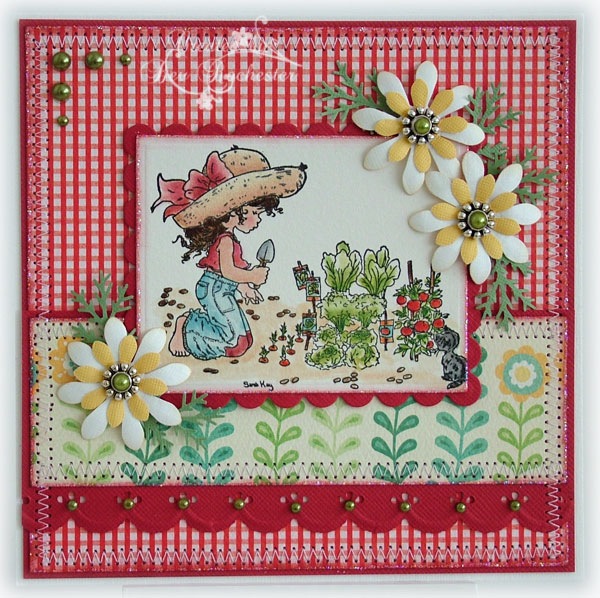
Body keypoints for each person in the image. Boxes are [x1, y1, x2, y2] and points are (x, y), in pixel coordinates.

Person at [151, 146, 307, 360]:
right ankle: (187, 327)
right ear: (234, 212)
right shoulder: (225, 241)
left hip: (222, 287)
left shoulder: (230, 239)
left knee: (245, 340)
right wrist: (252, 276)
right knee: (232, 342)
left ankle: (193, 326)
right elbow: (227, 271)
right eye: (255, 213)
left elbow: (229, 274)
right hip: (214, 289)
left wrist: (244, 287)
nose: (258, 220)